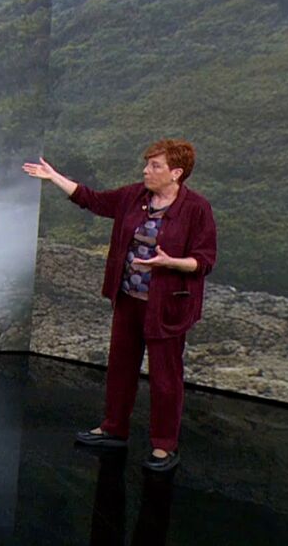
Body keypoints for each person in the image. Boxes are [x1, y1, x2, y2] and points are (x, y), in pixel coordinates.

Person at [23, 139, 216, 472]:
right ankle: (114, 428)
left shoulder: (196, 209)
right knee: (121, 367)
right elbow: (92, 200)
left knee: (165, 378)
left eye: (155, 166)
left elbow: (205, 261)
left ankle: (164, 446)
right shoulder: (134, 197)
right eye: (147, 164)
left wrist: (171, 262)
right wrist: (54, 177)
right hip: (129, 300)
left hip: (167, 308)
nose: (146, 170)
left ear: (176, 173)